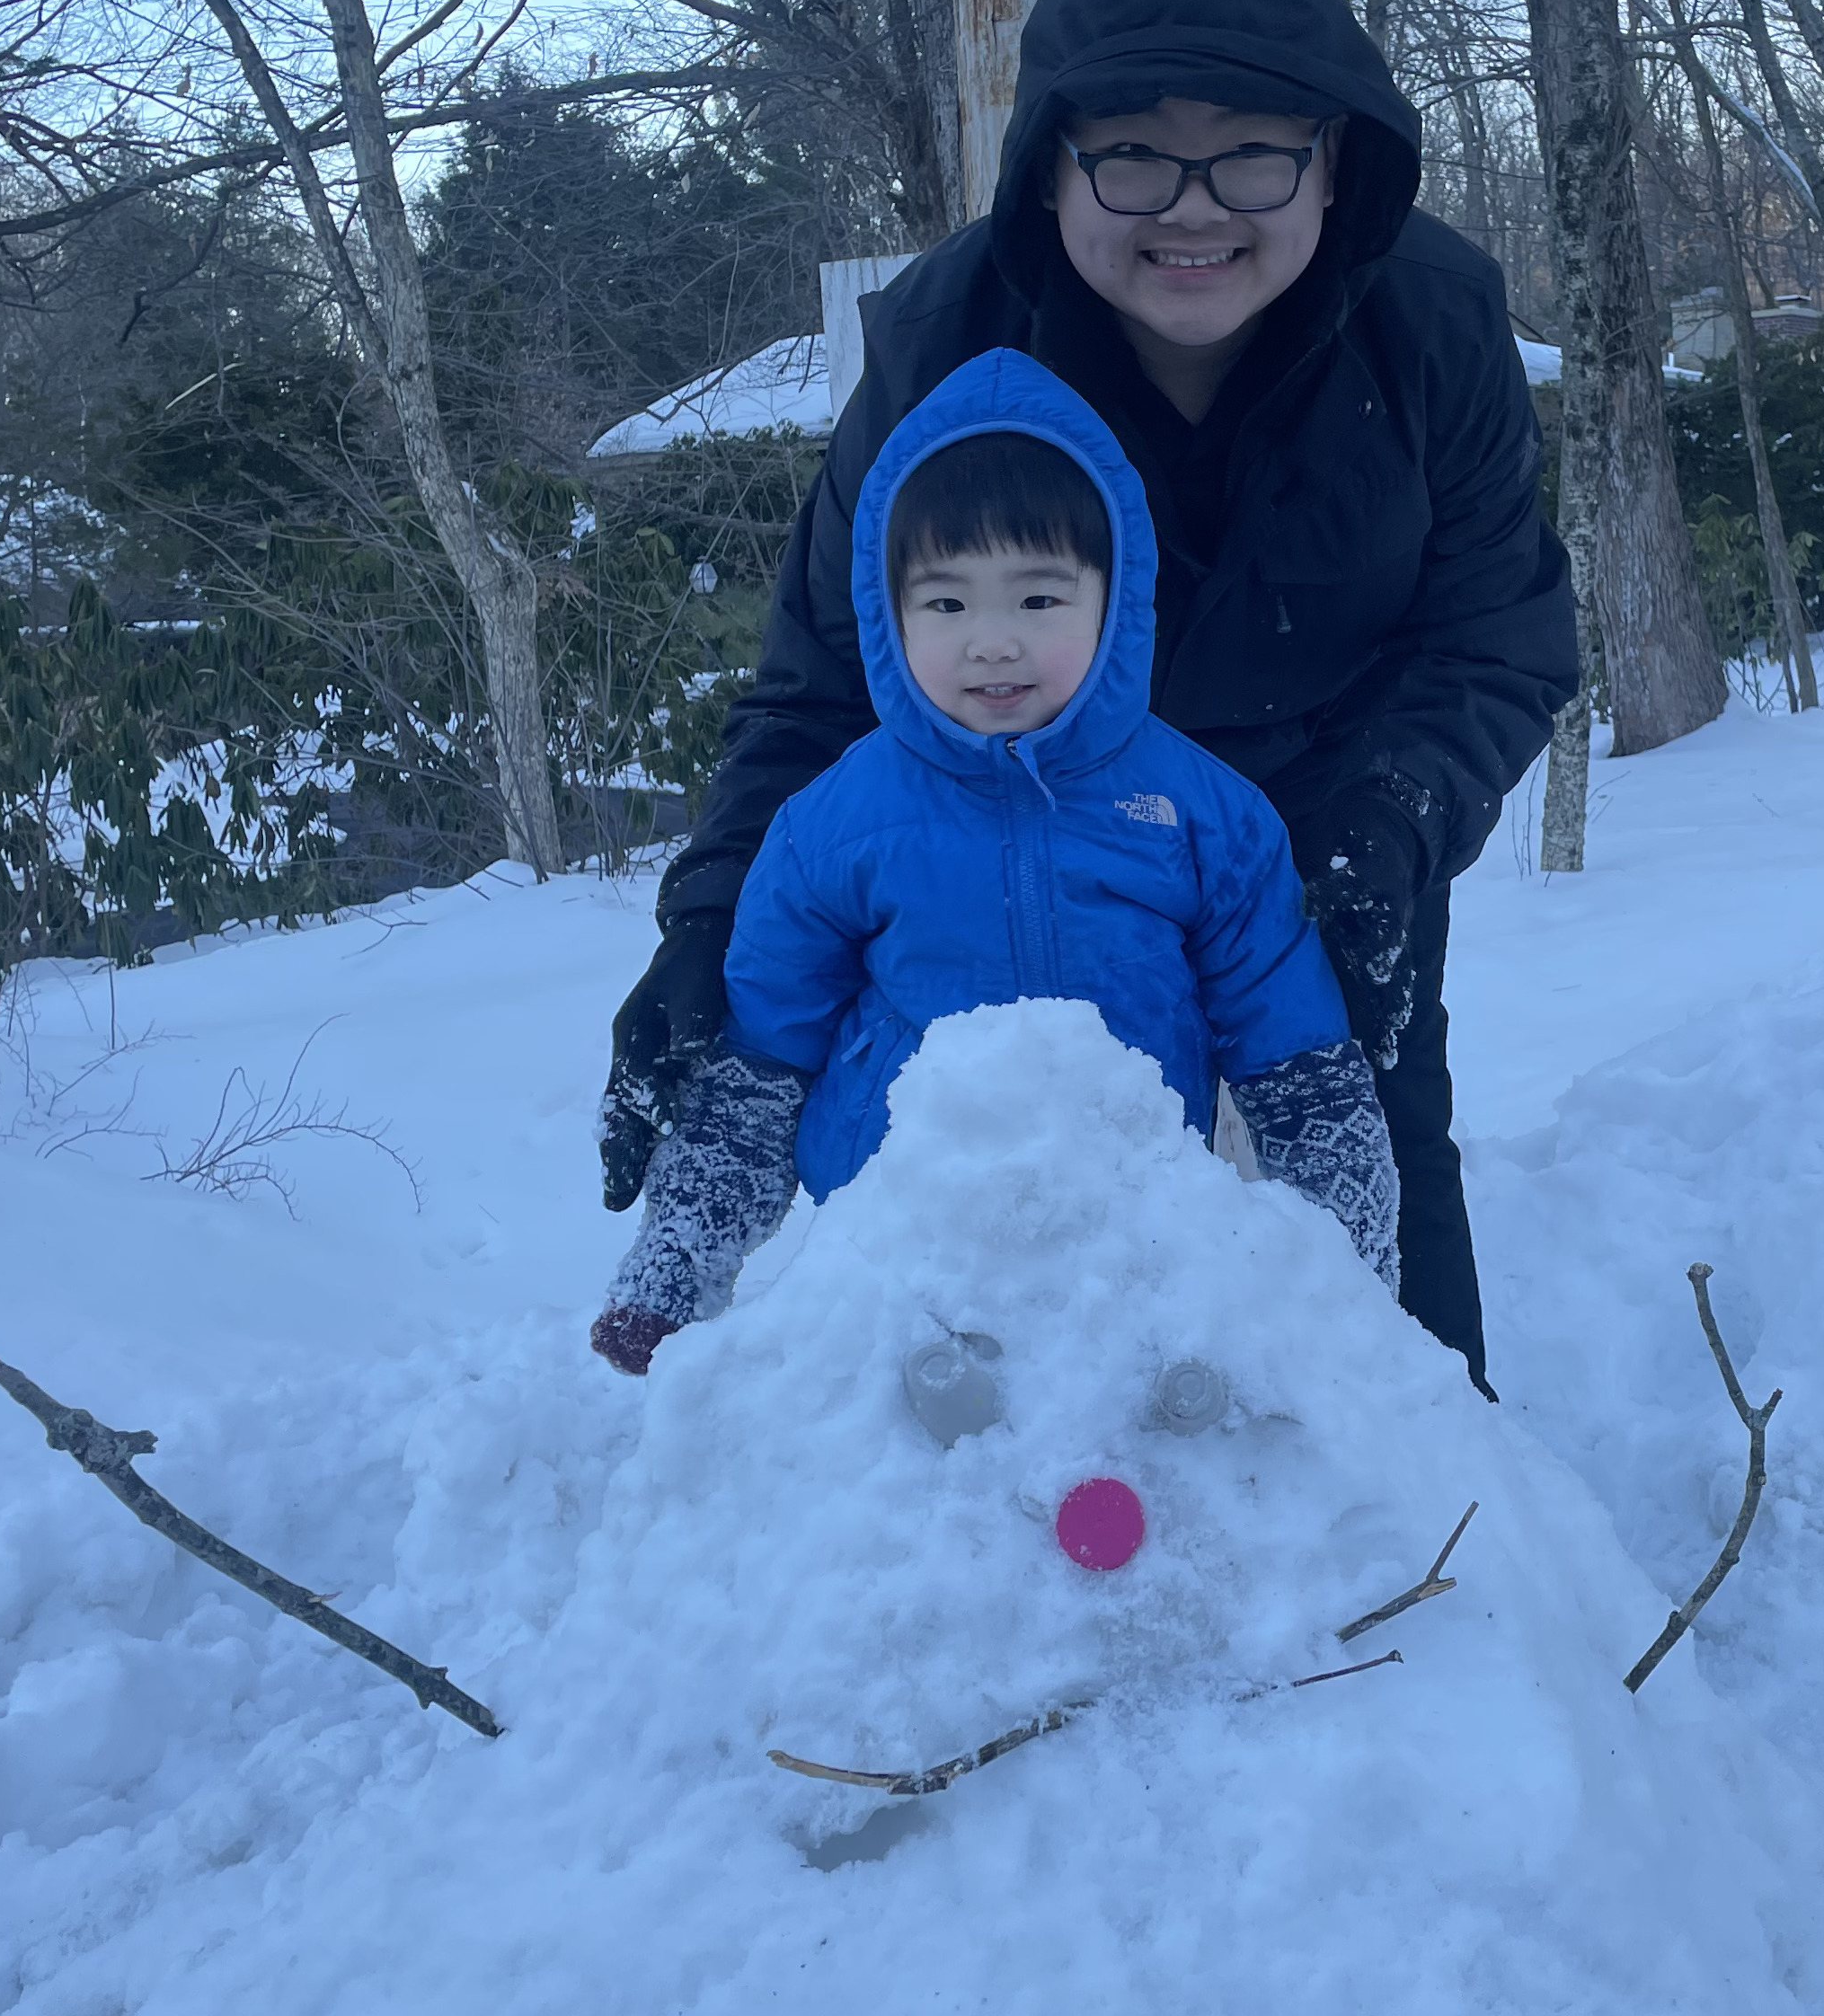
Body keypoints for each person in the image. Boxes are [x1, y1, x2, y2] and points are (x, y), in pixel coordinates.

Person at [602, 0, 1574, 1393]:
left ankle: (1426, 1506)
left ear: (1334, 163)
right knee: (1010, 1193)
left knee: (1374, 1157)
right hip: (1017, 830)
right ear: (1051, 164)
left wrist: (1393, 817)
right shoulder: (942, 346)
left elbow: (1496, 632)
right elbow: (816, 683)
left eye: (1251, 152)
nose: (1194, 209)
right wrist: (709, 932)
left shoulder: (1435, 323)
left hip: (1330, 817)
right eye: (1133, 156)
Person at [589, 350, 1398, 1368]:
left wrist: (1354, 1280)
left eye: (1039, 600)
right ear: (889, 614)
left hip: (1136, 1244)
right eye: (948, 604)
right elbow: (760, 1073)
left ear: (1117, 597)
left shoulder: (1205, 818)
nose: (994, 644)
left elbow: (1298, 1065)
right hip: (898, 1253)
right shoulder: (831, 827)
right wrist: (674, 1267)